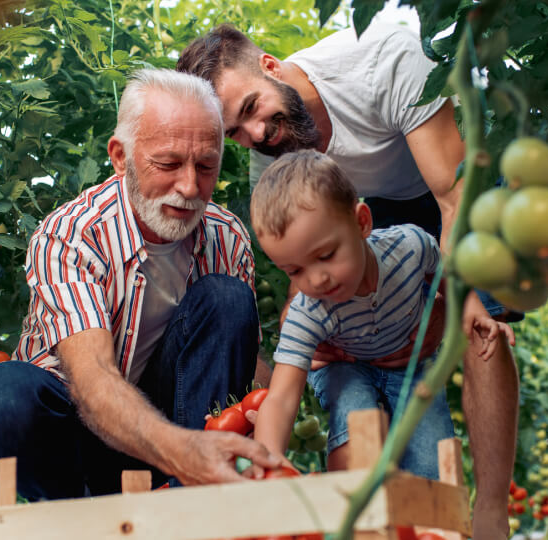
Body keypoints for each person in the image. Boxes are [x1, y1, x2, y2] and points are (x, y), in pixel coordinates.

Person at [178, 16, 519, 538]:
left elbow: (453, 203)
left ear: (269, 66)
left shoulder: (385, 62)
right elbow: (302, 283)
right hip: (351, 214)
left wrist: (463, 304)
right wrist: (280, 383)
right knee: (339, 332)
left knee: (481, 328)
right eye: (235, 133)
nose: (256, 134)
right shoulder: (271, 163)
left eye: (251, 109)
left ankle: (493, 511)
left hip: (444, 179)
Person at [0, 68, 281, 501]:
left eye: (206, 166)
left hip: (176, 433)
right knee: (1, 396)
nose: (189, 187)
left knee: (227, 298)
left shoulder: (226, 236)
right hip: (78, 433)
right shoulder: (71, 234)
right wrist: (185, 451)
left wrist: (281, 399)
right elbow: (93, 381)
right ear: (120, 156)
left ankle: (195, 503)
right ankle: (75, 520)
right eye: (168, 164)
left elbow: (237, 364)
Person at [250, 149, 507, 478]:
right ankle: (353, 514)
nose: (315, 280)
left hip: (407, 364)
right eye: (294, 271)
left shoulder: (410, 246)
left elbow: (446, 276)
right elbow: (282, 399)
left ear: (362, 222)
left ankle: (433, 527)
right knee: (355, 425)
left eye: (326, 255)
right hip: (343, 367)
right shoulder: (308, 312)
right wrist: (268, 459)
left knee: (431, 460)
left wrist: (472, 308)